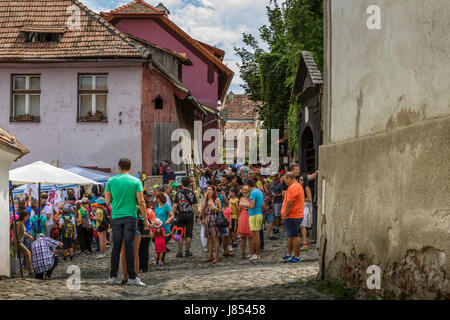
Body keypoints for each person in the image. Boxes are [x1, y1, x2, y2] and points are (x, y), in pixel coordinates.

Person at [104, 158, 149, 287]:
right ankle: (132, 277)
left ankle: (112, 276)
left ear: (118, 167)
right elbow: (141, 202)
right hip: (130, 216)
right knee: (130, 247)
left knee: (116, 247)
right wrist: (145, 219)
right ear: (130, 167)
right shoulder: (136, 181)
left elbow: (107, 201)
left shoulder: (111, 181)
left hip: (116, 216)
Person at [171, 177, 198, 258]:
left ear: (182, 184)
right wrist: (196, 215)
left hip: (180, 215)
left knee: (179, 234)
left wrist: (171, 214)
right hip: (189, 214)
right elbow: (196, 206)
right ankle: (187, 251)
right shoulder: (192, 193)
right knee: (189, 234)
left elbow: (175, 205)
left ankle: (179, 252)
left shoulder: (178, 193)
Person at [281, 172, 305, 263]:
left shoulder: (293, 187)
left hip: (293, 215)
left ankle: (296, 256)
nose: (285, 182)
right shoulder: (297, 186)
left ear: (289, 178)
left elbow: (290, 202)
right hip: (295, 215)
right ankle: (289, 253)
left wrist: (286, 213)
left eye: (285, 180)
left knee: (294, 236)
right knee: (291, 235)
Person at [201, 185, 222, 264]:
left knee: (215, 238)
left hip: (214, 219)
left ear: (213, 191)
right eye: (207, 189)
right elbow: (202, 209)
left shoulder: (217, 200)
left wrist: (215, 208)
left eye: (210, 189)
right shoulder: (205, 200)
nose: (208, 191)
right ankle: (210, 256)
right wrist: (204, 198)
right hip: (207, 220)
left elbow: (220, 211)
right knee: (209, 239)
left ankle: (216, 257)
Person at [154, 192, 174, 263]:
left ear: (161, 198)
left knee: (163, 244)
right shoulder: (156, 205)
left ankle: (161, 260)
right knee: (157, 243)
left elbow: (172, 215)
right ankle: (157, 259)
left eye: (157, 198)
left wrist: (168, 220)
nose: (156, 200)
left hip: (164, 227)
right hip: (156, 228)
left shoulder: (166, 206)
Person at [14, 210, 34, 276]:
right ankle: (31, 271)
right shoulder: (18, 223)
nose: (27, 218)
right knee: (28, 253)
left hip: (21, 241)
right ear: (24, 217)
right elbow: (16, 235)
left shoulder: (22, 223)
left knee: (28, 254)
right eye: (27, 216)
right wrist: (15, 245)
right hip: (19, 242)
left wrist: (29, 236)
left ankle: (31, 271)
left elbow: (22, 232)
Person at [139, 197, 156, 273]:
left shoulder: (138, 210)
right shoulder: (150, 211)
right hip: (148, 233)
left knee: (139, 250)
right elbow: (153, 222)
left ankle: (139, 267)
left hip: (140, 233)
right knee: (145, 251)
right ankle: (145, 268)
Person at [237, 186, 252, 259]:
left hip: (249, 215)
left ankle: (251, 252)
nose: (245, 194)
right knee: (243, 237)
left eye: (246, 192)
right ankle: (243, 253)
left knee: (250, 237)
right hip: (243, 216)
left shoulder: (251, 199)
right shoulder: (241, 199)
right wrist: (239, 205)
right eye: (243, 193)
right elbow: (239, 210)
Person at [300, 174, 313, 251]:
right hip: (301, 207)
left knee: (302, 225)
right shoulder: (299, 187)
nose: (300, 181)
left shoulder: (306, 188)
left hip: (306, 207)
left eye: (302, 180)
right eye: (300, 179)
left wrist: (300, 199)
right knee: (301, 226)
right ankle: (303, 241)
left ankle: (304, 243)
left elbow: (309, 199)